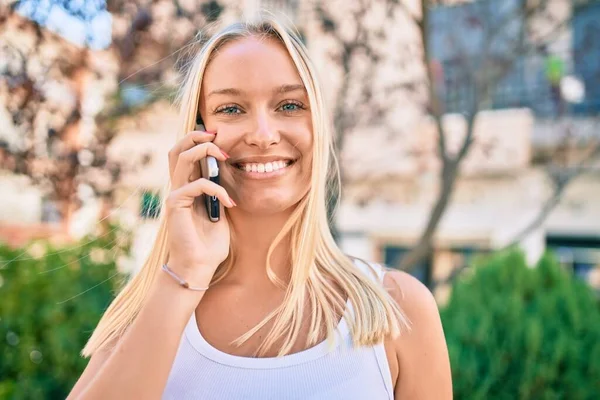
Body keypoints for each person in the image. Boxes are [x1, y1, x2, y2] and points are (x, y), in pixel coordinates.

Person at [68, 15, 452, 400]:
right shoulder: (148, 312)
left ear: (317, 125)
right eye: (231, 109)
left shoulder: (399, 309)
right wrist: (185, 275)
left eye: (289, 105)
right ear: (196, 134)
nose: (263, 135)